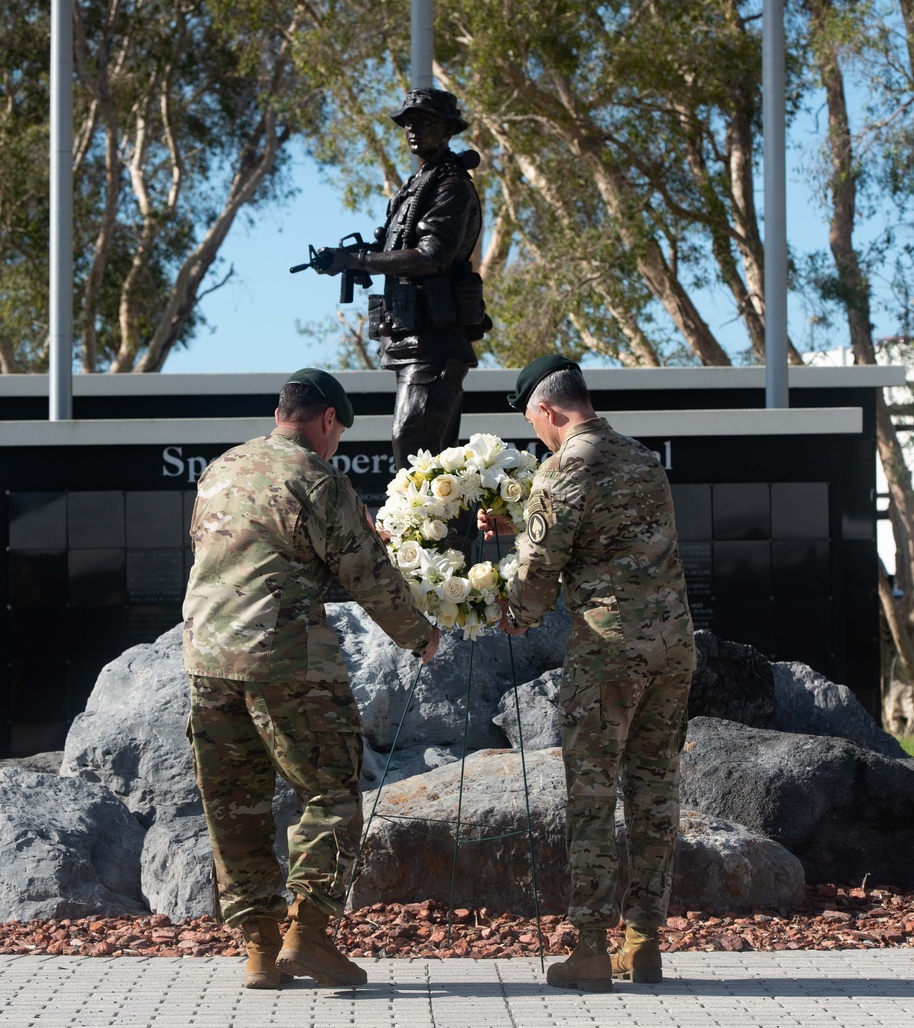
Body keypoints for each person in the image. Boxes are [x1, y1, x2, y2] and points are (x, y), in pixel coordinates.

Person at [182, 366, 441, 990]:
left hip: (206, 662)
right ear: (328, 420)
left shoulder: (221, 470)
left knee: (234, 807)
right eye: (339, 433)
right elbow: (368, 575)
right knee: (329, 792)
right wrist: (421, 635)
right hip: (286, 662)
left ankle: (260, 952)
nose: (337, 444)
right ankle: (311, 936)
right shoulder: (315, 479)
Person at [481, 355, 695, 992]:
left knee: (594, 798)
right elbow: (616, 531)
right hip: (674, 648)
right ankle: (645, 941)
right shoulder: (642, 459)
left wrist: (509, 612)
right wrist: (523, 523)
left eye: (532, 422)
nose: (536, 435)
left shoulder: (561, 469)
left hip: (609, 654)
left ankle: (591, 949)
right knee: (656, 792)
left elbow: (538, 579)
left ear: (547, 410)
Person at [315, 87, 489, 469]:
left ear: (447, 129)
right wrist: (351, 262)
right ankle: (438, 529)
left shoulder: (450, 185)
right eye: (408, 123)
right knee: (427, 453)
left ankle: (430, 529)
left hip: (435, 339)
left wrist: (359, 260)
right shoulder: (415, 186)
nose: (412, 130)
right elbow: (393, 247)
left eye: (423, 122)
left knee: (414, 442)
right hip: (411, 338)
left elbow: (432, 256)